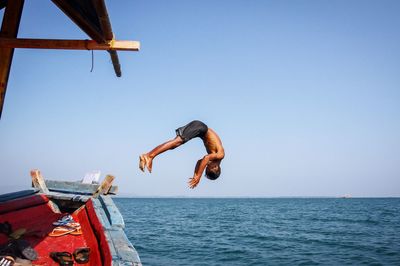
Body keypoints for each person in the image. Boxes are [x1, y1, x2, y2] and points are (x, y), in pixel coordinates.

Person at [139, 120, 225, 189]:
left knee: (174, 145)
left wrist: (195, 176)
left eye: (206, 167)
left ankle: (149, 156)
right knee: (177, 142)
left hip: (200, 129)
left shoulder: (214, 159)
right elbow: (205, 158)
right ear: (215, 167)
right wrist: (198, 177)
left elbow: (200, 162)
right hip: (201, 128)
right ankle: (149, 156)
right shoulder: (220, 155)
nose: (206, 165)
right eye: (208, 167)